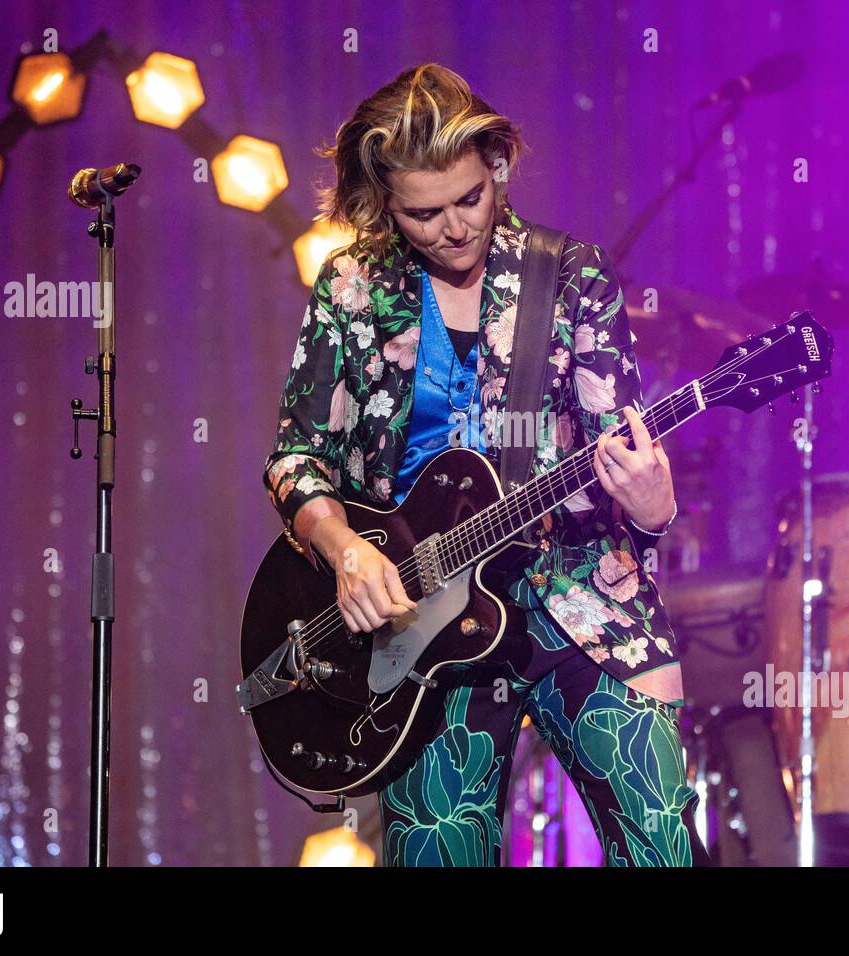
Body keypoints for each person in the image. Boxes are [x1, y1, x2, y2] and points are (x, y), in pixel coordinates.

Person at [263, 63, 708, 866]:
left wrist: (653, 504)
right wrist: (348, 552)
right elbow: (297, 457)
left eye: (470, 198)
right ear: (383, 202)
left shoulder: (571, 276)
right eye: (423, 213)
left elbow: (626, 455)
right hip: (422, 623)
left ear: (498, 166)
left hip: (578, 591)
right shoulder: (353, 287)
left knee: (666, 844)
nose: (455, 228)